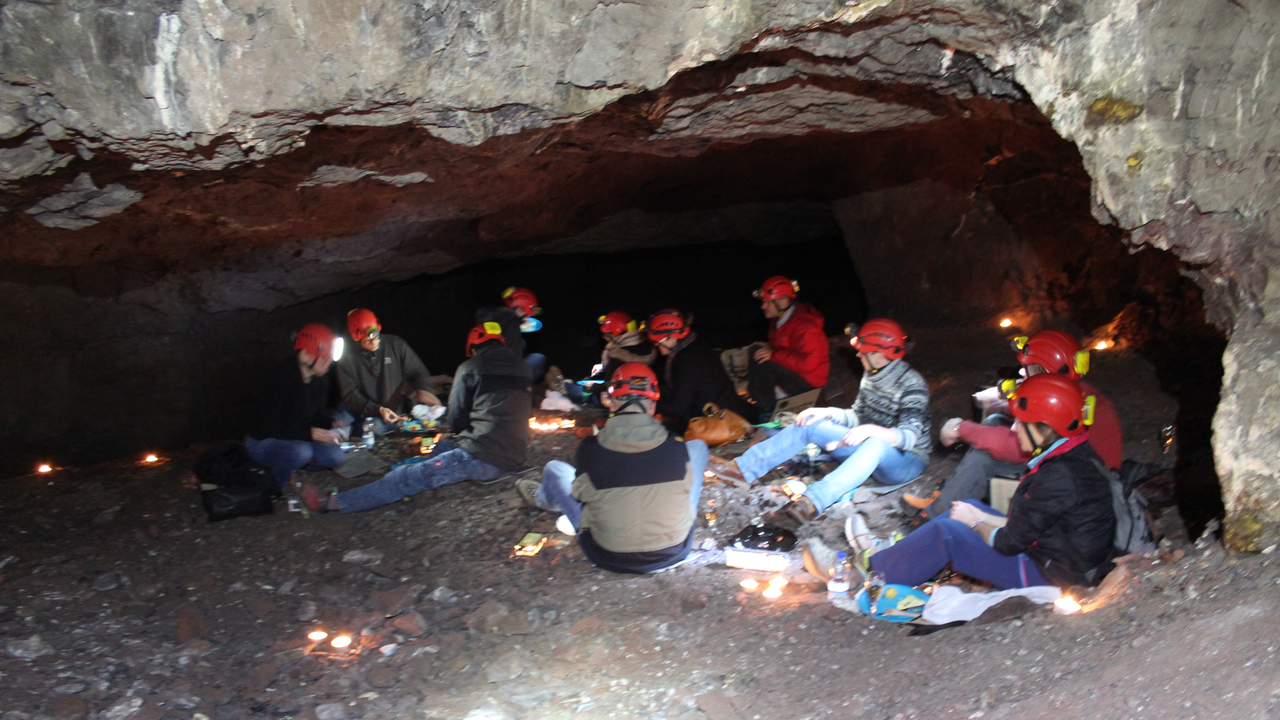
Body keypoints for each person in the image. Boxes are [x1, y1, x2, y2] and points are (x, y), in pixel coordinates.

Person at [863, 374, 1117, 590]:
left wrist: (974, 522)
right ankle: (890, 552)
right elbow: (1031, 525)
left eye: (1022, 422)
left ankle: (876, 575)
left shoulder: (1060, 476)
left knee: (948, 534)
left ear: (1046, 428)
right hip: (1057, 554)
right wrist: (974, 516)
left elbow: (1008, 543)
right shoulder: (1071, 455)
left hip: (1053, 575)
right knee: (964, 507)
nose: (1015, 428)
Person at [708, 319, 930, 525]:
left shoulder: (912, 384)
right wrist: (826, 412)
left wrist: (871, 430)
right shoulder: (872, 375)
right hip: (869, 449)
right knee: (811, 423)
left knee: (876, 443)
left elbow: (909, 438)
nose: (858, 356)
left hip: (904, 461)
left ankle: (813, 502)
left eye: (863, 352)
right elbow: (857, 416)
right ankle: (743, 469)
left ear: (881, 353)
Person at [301, 322, 531, 513]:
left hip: (483, 458)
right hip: (513, 455)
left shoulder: (470, 367)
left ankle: (331, 502)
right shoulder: (523, 368)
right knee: (439, 447)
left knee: (407, 479)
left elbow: (457, 419)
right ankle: (402, 468)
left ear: (473, 346)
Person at [905, 329, 1123, 523]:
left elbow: (1014, 446)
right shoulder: (1074, 393)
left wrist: (961, 428)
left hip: (1075, 486)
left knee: (984, 455)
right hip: (1077, 472)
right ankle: (950, 495)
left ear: (1045, 370)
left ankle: (936, 515)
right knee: (994, 422)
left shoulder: (1058, 403)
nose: (1021, 372)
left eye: (1027, 367)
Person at [517, 363, 708, 574]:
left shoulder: (591, 449)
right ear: (653, 405)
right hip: (674, 552)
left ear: (611, 403)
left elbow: (579, 494)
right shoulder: (676, 446)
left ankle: (545, 500)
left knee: (554, 469)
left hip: (607, 556)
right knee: (697, 447)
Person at [245, 323, 347, 486]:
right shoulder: (280, 379)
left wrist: (331, 423)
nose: (330, 362)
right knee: (300, 452)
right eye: (326, 357)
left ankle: (293, 467)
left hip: (299, 437)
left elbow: (315, 415)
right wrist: (308, 434)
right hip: (263, 442)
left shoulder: (319, 379)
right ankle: (275, 484)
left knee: (336, 457)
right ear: (306, 355)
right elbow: (265, 428)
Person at [647, 308, 757, 435]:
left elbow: (678, 408)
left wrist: (647, 401)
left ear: (671, 337)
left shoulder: (685, 360)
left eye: (657, 340)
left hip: (723, 421)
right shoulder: (695, 344)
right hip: (729, 408)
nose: (655, 344)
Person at [335, 308, 442, 439]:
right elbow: (350, 394)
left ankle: (353, 430)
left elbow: (416, 370)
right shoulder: (346, 356)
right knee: (338, 420)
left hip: (386, 412)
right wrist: (376, 409)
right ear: (356, 338)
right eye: (368, 341)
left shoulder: (395, 345)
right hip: (360, 407)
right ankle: (348, 429)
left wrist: (423, 390)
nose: (374, 342)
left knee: (375, 428)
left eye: (376, 337)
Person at [746, 276, 830, 418]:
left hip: (810, 389)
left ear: (783, 301)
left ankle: (766, 411)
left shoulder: (805, 326)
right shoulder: (780, 322)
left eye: (767, 302)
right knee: (758, 350)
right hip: (795, 380)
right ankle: (764, 406)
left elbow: (809, 363)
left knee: (761, 356)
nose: (763, 306)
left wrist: (774, 355)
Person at [552, 311, 656, 407]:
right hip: (641, 399)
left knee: (579, 391)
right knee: (584, 383)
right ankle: (565, 386)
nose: (607, 338)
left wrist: (590, 386)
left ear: (617, 333)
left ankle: (562, 387)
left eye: (608, 334)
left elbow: (610, 387)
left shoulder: (619, 355)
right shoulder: (645, 349)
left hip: (618, 400)